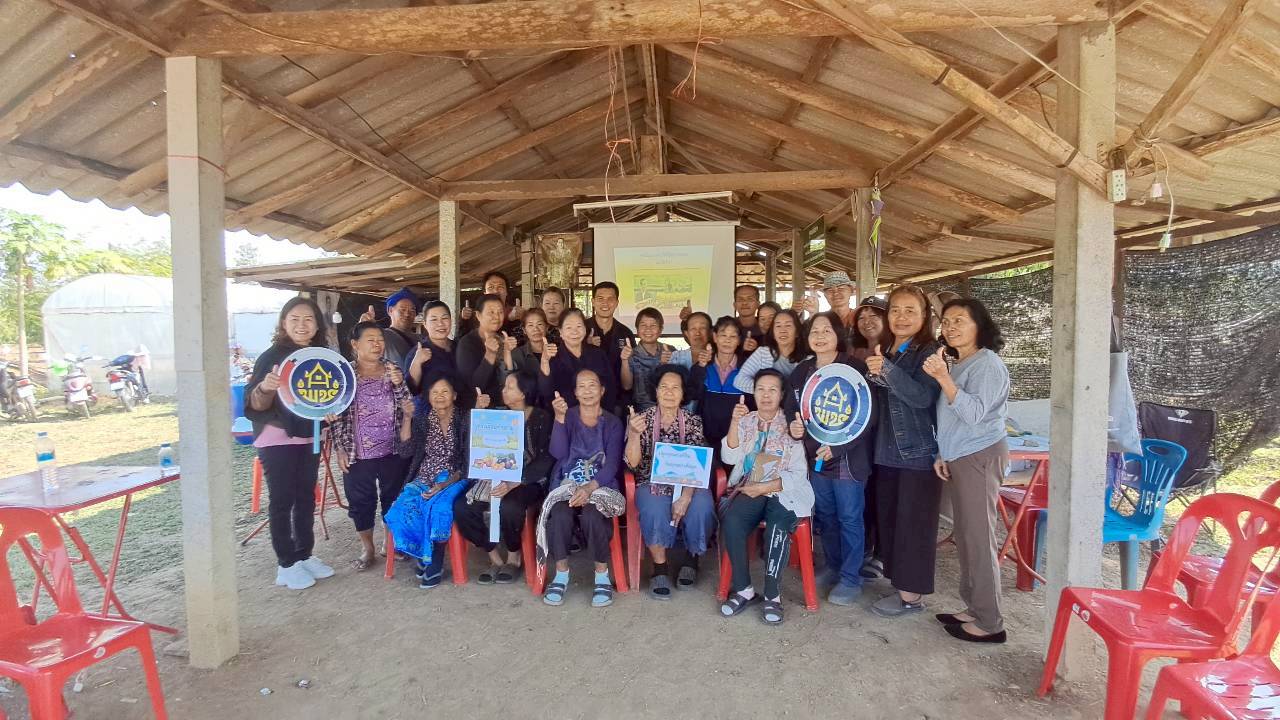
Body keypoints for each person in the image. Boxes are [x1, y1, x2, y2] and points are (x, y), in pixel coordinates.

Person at [927, 298, 1010, 644]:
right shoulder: (960, 363)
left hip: (980, 456)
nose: (951, 327)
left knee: (979, 538)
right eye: (946, 321)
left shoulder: (988, 364)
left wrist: (944, 379)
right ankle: (973, 607)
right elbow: (948, 417)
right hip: (959, 456)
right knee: (966, 535)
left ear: (980, 325)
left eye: (960, 320)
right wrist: (942, 452)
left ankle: (991, 622)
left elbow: (974, 413)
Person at [244, 297, 335, 591]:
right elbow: (255, 403)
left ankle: (304, 554)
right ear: (283, 323)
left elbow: (332, 393)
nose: (301, 325)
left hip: (310, 435)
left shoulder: (322, 356)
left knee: (306, 497)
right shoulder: (271, 357)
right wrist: (266, 387)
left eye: (308, 319)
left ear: (317, 325)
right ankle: (286, 564)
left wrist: (333, 407)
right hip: (276, 438)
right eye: (294, 319)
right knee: (283, 500)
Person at [786, 312, 875, 607]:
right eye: (814, 331)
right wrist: (794, 427)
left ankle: (851, 577)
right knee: (825, 516)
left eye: (826, 330)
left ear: (838, 335)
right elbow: (793, 411)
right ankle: (834, 565)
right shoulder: (802, 372)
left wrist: (838, 448)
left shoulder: (855, 368)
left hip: (848, 458)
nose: (820, 336)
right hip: (815, 457)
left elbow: (867, 415)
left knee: (850, 517)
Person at [865, 285, 943, 618]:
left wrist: (885, 370)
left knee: (913, 527)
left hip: (917, 453)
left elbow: (923, 397)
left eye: (910, 310)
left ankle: (911, 597)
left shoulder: (929, 351)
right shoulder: (888, 350)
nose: (901, 316)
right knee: (892, 522)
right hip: (885, 451)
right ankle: (900, 588)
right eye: (896, 309)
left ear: (924, 316)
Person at [719, 369, 814, 626]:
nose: (766, 395)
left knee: (777, 527)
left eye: (773, 389)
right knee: (733, 520)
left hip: (784, 490)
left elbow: (798, 474)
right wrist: (735, 422)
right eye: (761, 389)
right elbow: (729, 458)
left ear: (782, 394)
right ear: (753, 392)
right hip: (751, 487)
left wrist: (765, 487)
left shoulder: (793, 425)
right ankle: (743, 590)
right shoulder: (746, 420)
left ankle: (773, 594)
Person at [386, 372, 488, 588]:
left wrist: (443, 485)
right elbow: (405, 450)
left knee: (440, 505)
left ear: (454, 395)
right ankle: (423, 552)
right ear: (428, 396)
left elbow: (470, 462)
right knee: (402, 505)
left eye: (445, 392)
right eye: (435, 392)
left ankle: (435, 561)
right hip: (425, 474)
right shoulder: (423, 420)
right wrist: (407, 417)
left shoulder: (465, 418)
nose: (439, 396)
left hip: (456, 475)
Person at [452, 373, 553, 584]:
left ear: (523, 393)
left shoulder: (541, 417)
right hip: (495, 476)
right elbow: (476, 445)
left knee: (510, 506)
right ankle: (494, 557)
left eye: (509, 387)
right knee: (462, 507)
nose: (504, 391)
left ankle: (514, 556)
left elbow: (546, 458)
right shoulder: (497, 415)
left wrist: (516, 482)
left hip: (527, 480)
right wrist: (478, 413)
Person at [330, 322, 416, 571]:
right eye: (370, 339)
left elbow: (408, 405)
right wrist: (340, 449)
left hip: (393, 449)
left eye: (380, 339)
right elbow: (336, 413)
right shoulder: (344, 375)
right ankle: (367, 547)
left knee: (392, 497)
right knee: (361, 501)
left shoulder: (393, 370)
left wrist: (399, 384)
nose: (377, 344)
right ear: (355, 345)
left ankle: (389, 544)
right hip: (357, 452)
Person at [537, 369, 626, 608]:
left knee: (592, 514)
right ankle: (562, 573)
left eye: (593, 385)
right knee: (560, 514)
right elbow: (558, 453)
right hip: (567, 482)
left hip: (600, 484)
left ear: (602, 390)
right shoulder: (569, 416)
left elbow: (613, 464)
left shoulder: (613, 422)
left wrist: (589, 488)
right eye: (582, 386)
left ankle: (601, 575)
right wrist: (559, 418)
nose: (587, 391)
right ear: (575, 392)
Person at [624, 364, 713, 599]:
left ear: (684, 393)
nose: (669, 392)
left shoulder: (693, 421)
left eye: (676, 387)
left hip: (688, 483)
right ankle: (660, 566)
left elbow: (697, 464)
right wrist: (633, 434)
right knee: (653, 507)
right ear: (656, 391)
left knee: (701, 506)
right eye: (664, 387)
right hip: (650, 482)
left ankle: (691, 558)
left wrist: (685, 496)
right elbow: (632, 464)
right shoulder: (641, 420)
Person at [538, 308, 618, 413]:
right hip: (565, 418)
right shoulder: (552, 357)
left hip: (598, 417)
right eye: (569, 327)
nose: (574, 332)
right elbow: (545, 393)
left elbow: (610, 388)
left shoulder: (598, 354)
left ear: (585, 329)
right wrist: (544, 361)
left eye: (579, 326)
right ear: (561, 332)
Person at [695, 316, 750, 462]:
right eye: (723, 335)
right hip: (705, 437)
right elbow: (691, 393)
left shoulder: (748, 370)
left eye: (733, 336)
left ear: (739, 341)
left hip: (735, 438)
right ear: (714, 337)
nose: (727, 340)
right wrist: (700, 367)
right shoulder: (703, 366)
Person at [585, 281, 634, 413]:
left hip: (617, 401)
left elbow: (628, 382)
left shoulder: (625, 333)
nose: (605, 303)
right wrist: (584, 344)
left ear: (617, 303)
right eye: (600, 299)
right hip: (586, 398)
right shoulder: (582, 329)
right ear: (593, 301)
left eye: (610, 299)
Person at [734, 308, 809, 393]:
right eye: (778, 326)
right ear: (773, 332)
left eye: (788, 325)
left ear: (797, 332)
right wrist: (767, 390)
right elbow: (739, 381)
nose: (782, 330)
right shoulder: (763, 353)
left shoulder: (807, 358)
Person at [455, 294, 508, 406]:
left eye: (500, 312)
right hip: (478, 412)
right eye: (491, 312)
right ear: (478, 315)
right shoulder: (466, 344)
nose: (497, 317)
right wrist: (490, 354)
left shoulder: (503, 339)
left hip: (504, 408)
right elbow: (475, 386)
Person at [622, 307, 675, 412]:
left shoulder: (671, 351)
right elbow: (626, 386)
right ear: (637, 329)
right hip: (642, 412)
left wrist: (666, 365)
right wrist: (624, 360)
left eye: (653, 325)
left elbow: (677, 383)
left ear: (660, 329)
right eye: (643, 325)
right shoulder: (631, 354)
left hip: (669, 410)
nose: (648, 329)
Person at [358, 287, 421, 368]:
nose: (407, 314)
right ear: (390, 311)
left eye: (412, 310)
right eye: (402, 309)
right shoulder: (383, 335)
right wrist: (364, 328)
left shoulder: (421, 339)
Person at [406, 300, 456, 397]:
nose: (440, 324)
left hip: (461, 409)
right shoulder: (417, 353)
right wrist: (417, 363)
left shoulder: (459, 348)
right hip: (430, 410)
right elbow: (410, 390)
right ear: (425, 324)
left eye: (445, 318)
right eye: (434, 320)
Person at [458, 271, 525, 339]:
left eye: (500, 287)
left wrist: (517, 320)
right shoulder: (475, 316)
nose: (496, 291)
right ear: (485, 292)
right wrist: (464, 321)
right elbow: (461, 342)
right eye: (491, 287)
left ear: (507, 292)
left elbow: (519, 342)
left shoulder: (516, 313)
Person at [504, 307, 550, 384]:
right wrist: (507, 352)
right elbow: (508, 382)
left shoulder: (555, 352)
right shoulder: (516, 354)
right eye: (530, 325)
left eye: (539, 324)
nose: (535, 329)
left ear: (546, 327)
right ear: (524, 330)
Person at [850, 296, 889, 363]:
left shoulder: (895, 350)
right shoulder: (852, 350)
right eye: (861, 318)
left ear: (887, 320)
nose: (866, 322)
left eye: (873, 316)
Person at [820, 271, 857, 339]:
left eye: (841, 289)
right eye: (830, 290)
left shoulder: (860, 318)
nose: (835, 293)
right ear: (825, 295)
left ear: (851, 291)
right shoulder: (819, 320)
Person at [734, 285, 764, 351]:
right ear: (735, 305)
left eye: (750, 299)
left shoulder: (764, 327)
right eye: (740, 299)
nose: (744, 303)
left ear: (758, 304)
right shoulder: (727, 327)